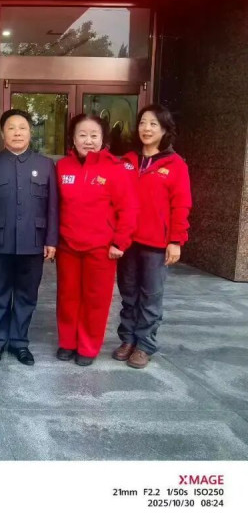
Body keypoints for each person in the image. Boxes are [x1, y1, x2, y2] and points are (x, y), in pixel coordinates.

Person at [0, 109, 58, 366]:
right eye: (11, 128)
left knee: (26, 295)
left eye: (22, 128)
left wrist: (51, 240)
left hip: (33, 241)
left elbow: (53, 207)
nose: (17, 133)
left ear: (30, 132)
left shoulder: (45, 165)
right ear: (3, 133)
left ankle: (19, 342)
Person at [113, 104, 192, 369]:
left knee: (150, 296)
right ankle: (127, 339)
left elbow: (181, 205)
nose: (146, 128)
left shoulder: (175, 164)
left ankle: (145, 345)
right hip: (127, 241)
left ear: (165, 130)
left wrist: (176, 240)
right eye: (143, 123)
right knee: (128, 293)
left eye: (153, 124)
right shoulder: (126, 161)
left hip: (156, 243)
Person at [55, 113, 138, 366]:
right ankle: (67, 342)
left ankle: (88, 347)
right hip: (68, 245)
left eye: (94, 135)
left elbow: (128, 209)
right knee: (67, 297)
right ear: (73, 138)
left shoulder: (115, 168)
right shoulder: (62, 167)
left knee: (96, 300)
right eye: (82, 135)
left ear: (103, 139)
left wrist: (120, 242)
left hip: (101, 248)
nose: (88, 140)